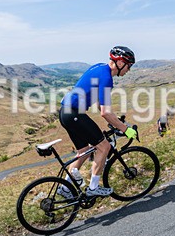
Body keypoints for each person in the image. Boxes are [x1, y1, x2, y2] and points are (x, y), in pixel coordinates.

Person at [57, 46, 137, 198]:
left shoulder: (100, 68)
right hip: (74, 114)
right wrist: (125, 129)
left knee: (83, 151)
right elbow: (105, 112)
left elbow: (101, 104)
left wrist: (115, 121)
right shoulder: (107, 78)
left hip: (65, 113)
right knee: (104, 147)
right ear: (120, 63)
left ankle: (65, 188)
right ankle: (93, 188)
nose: (129, 70)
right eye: (129, 66)